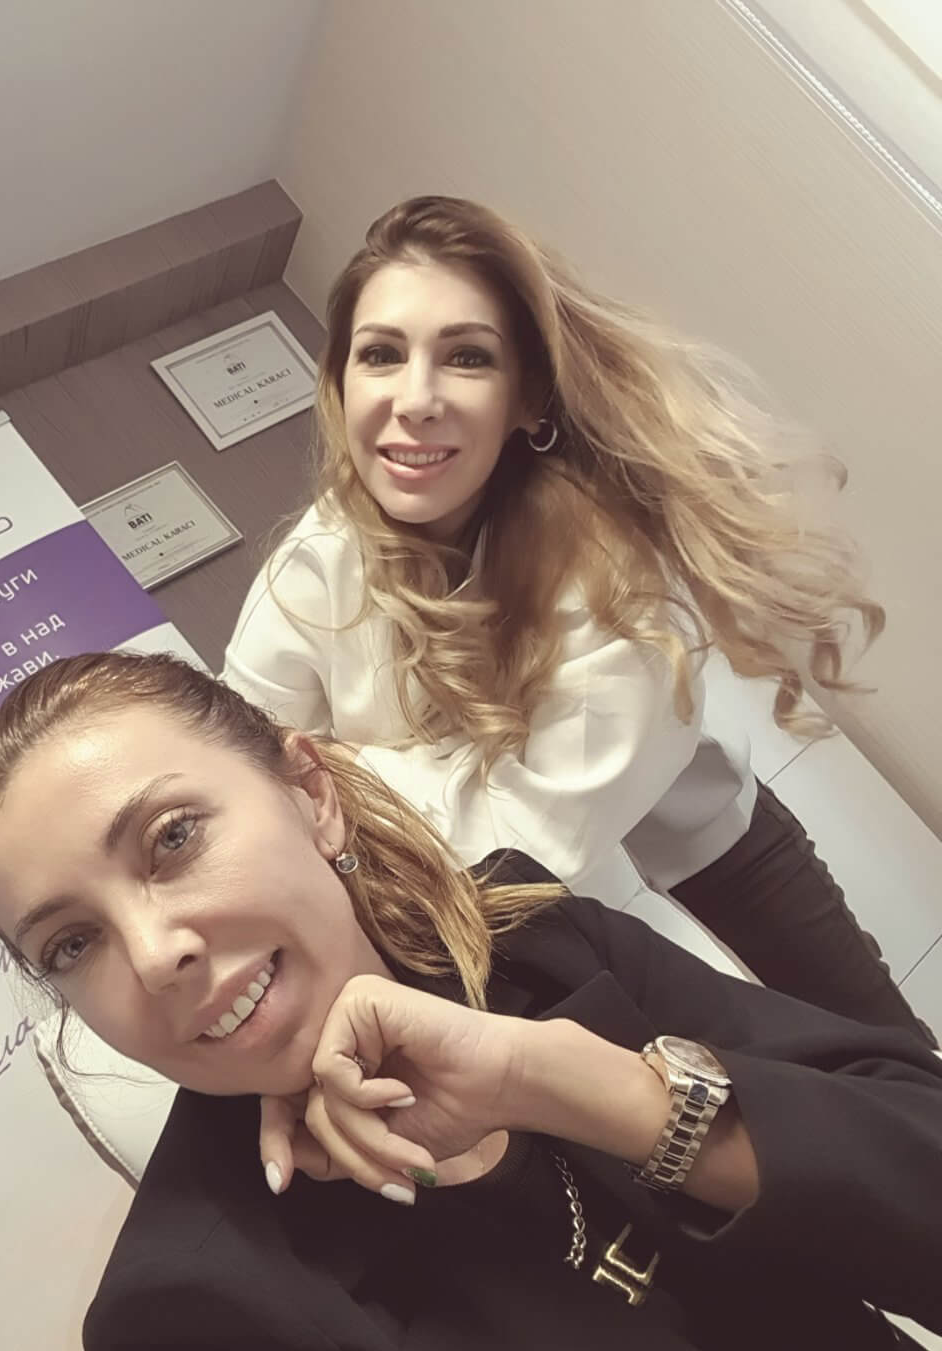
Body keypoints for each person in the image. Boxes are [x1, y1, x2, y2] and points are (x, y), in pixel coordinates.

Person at [0, 650, 942, 1351]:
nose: (153, 954)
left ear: (311, 793)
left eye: (172, 839)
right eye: (72, 943)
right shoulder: (210, 1311)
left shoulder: (536, 947)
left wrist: (581, 1087)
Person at [222, 194, 933, 1042]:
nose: (416, 398)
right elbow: (241, 780)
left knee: (895, 1062)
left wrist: (333, 773)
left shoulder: (613, 573)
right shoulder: (311, 566)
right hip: (537, 921)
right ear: (342, 384)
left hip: (712, 844)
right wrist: (347, 789)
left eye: (467, 357)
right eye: (380, 354)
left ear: (528, 399)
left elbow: (521, 848)